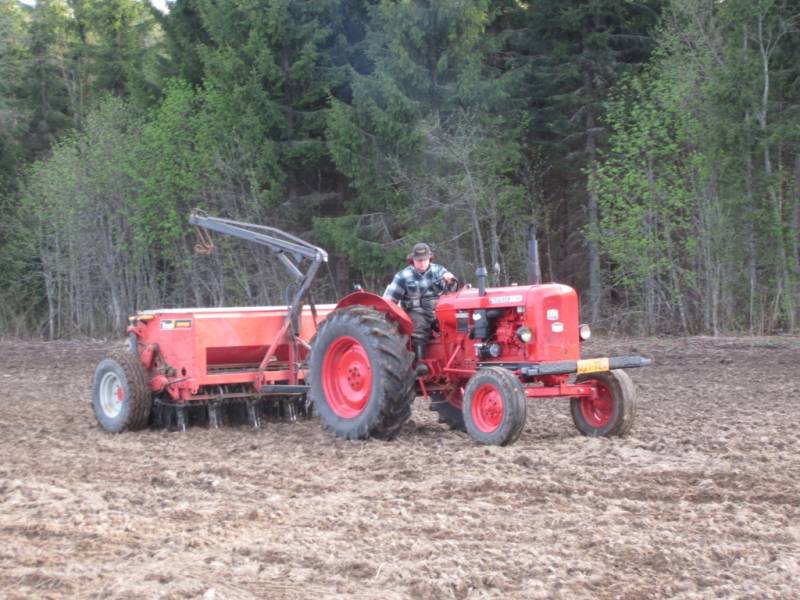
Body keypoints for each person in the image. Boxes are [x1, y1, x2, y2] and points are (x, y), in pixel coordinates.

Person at [384, 242, 456, 375]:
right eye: (419, 260)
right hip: (415, 312)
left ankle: (453, 359)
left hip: (437, 311)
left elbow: (452, 286)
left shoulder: (439, 271)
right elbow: (390, 301)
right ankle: (420, 362)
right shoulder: (403, 276)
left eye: (425, 259)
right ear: (413, 260)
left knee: (453, 324)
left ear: (430, 258)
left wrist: (450, 279)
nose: (422, 263)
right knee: (420, 324)